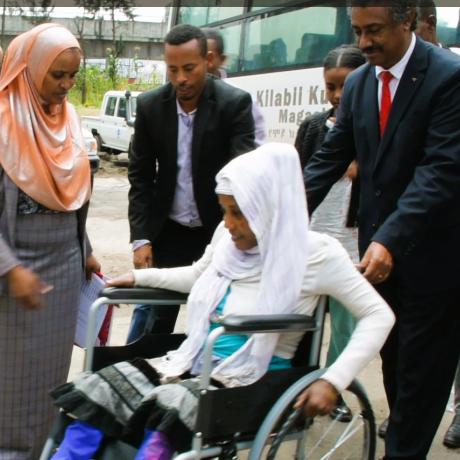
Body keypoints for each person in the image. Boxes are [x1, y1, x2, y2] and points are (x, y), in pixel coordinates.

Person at [50, 143, 394, 459]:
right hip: (192, 359)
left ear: (268, 207)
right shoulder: (227, 239)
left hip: (250, 377)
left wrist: (333, 379)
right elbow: (198, 275)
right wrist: (140, 277)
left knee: (169, 410)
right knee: (99, 387)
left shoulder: (316, 253)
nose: (227, 224)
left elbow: (378, 315)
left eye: (238, 213)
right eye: (224, 211)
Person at [304, 3, 460, 459]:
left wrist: (390, 237)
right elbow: (330, 158)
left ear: (407, 19)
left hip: (434, 258)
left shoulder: (448, 77)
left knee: (422, 374)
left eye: (375, 30)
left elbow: (441, 170)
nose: (365, 43)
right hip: (378, 261)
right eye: (357, 31)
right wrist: (280, 216)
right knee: (394, 366)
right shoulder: (357, 84)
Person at [0, 23, 100, 459]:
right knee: (9, 385)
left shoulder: (70, 123)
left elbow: (72, 195)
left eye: (72, 75)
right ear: (28, 69)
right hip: (12, 280)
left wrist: (88, 249)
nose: (66, 86)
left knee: (48, 383)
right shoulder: (2, 125)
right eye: (57, 75)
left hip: (61, 272)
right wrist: (10, 268)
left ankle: (40, 449)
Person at [127, 24, 255, 342]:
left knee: (215, 321)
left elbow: (244, 174)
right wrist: (141, 239)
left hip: (218, 232)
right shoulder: (150, 107)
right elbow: (141, 177)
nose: (181, 79)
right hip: (167, 233)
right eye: (172, 70)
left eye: (189, 68)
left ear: (208, 60)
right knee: (154, 320)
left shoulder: (234, 104)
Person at [295, 44, 365, 422]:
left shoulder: (373, 130)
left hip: (351, 245)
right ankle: (299, 386)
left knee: (344, 325)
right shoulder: (311, 128)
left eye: (345, 87)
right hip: (312, 239)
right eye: (331, 87)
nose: (338, 96)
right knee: (304, 321)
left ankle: (333, 387)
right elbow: (298, 179)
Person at [203, 27, 267, 146]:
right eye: (199, 58)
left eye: (210, 57)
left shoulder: (242, 100)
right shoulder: (181, 99)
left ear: (222, 60)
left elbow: (257, 146)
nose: (206, 63)